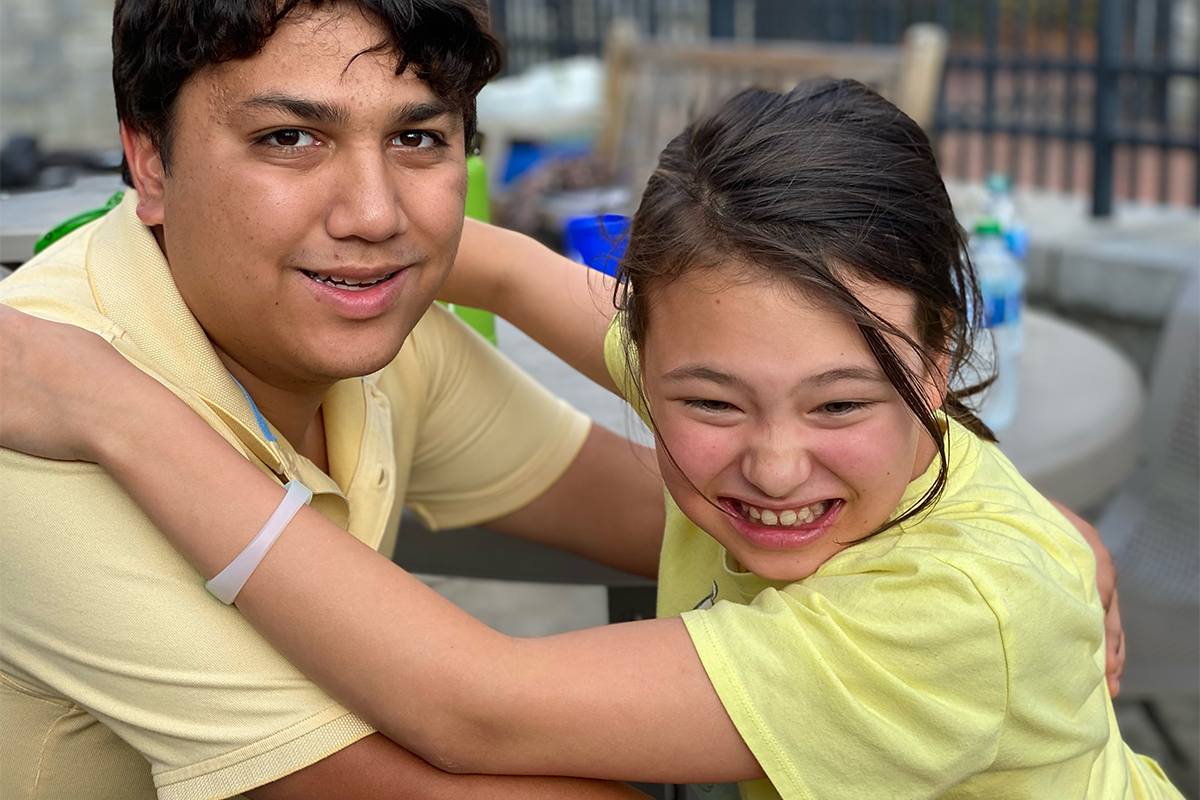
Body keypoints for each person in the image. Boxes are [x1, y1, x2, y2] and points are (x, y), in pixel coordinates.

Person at [1, 80, 1165, 799]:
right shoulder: (741, 361)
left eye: (842, 406)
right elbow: (513, 269)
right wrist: (364, 234)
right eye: (706, 405)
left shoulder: (951, 609)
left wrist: (114, 407)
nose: (771, 461)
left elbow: (477, 703)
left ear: (938, 350)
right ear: (643, 362)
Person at [0, 1, 662, 798]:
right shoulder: (40, 399)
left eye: (417, 139)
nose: (373, 214)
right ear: (149, 164)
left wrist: (509, 267)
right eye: (288, 139)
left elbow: (724, 501)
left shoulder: (379, 341)